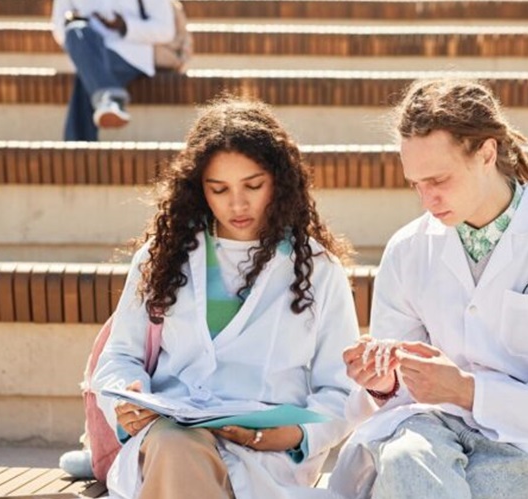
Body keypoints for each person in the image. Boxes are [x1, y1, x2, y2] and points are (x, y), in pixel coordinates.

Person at [329, 79, 528, 499]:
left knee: (474, 486)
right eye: (415, 183)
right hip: (431, 429)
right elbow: (402, 397)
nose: (426, 199)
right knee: (402, 461)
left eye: (439, 180)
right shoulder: (407, 250)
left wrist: (467, 390)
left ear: (487, 153)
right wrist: (383, 384)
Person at [91, 98, 359, 498]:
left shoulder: (318, 270)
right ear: (198, 189)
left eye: (253, 186)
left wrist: (295, 434)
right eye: (219, 189)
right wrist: (126, 398)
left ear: (279, 182)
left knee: (179, 458)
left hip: (265, 457)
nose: (237, 204)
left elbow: (341, 389)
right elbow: (120, 355)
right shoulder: (162, 256)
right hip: (169, 437)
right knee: (177, 446)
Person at [51, 0, 175, 141]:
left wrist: (124, 26)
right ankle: (110, 99)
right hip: (88, 51)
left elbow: (166, 30)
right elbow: (60, 29)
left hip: (130, 55)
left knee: (89, 72)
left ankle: (74, 154)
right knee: (75, 30)